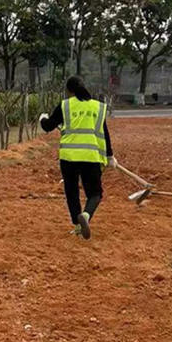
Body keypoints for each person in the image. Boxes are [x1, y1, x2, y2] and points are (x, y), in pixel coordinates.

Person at [40, 76, 115, 239]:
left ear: (68, 90)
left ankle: (77, 224)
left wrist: (42, 118)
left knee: (71, 191)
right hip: (90, 156)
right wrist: (110, 156)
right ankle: (86, 215)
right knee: (95, 193)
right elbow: (105, 134)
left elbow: (48, 126)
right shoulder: (97, 107)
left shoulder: (65, 105)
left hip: (68, 157)